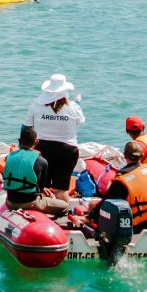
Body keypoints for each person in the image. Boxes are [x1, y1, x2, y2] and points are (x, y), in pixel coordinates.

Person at [22, 74, 86, 203]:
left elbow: (27, 127)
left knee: (43, 187)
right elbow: (80, 122)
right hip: (68, 151)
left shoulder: (36, 105)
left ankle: (43, 214)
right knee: (60, 190)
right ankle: (66, 213)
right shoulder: (74, 107)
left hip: (43, 149)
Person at [87, 141, 147, 233]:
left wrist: (90, 217)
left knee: (92, 205)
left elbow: (105, 203)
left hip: (131, 225)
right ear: (142, 156)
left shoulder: (122, 180)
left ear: (124, 155)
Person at [2, 126, 70, 217]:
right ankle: (48, 222)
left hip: (10, 202)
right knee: (65, 206)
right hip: (31, 203)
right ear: (36, 142)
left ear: (19, 140)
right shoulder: (42, 161)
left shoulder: (8, 157)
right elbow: (41, 188)